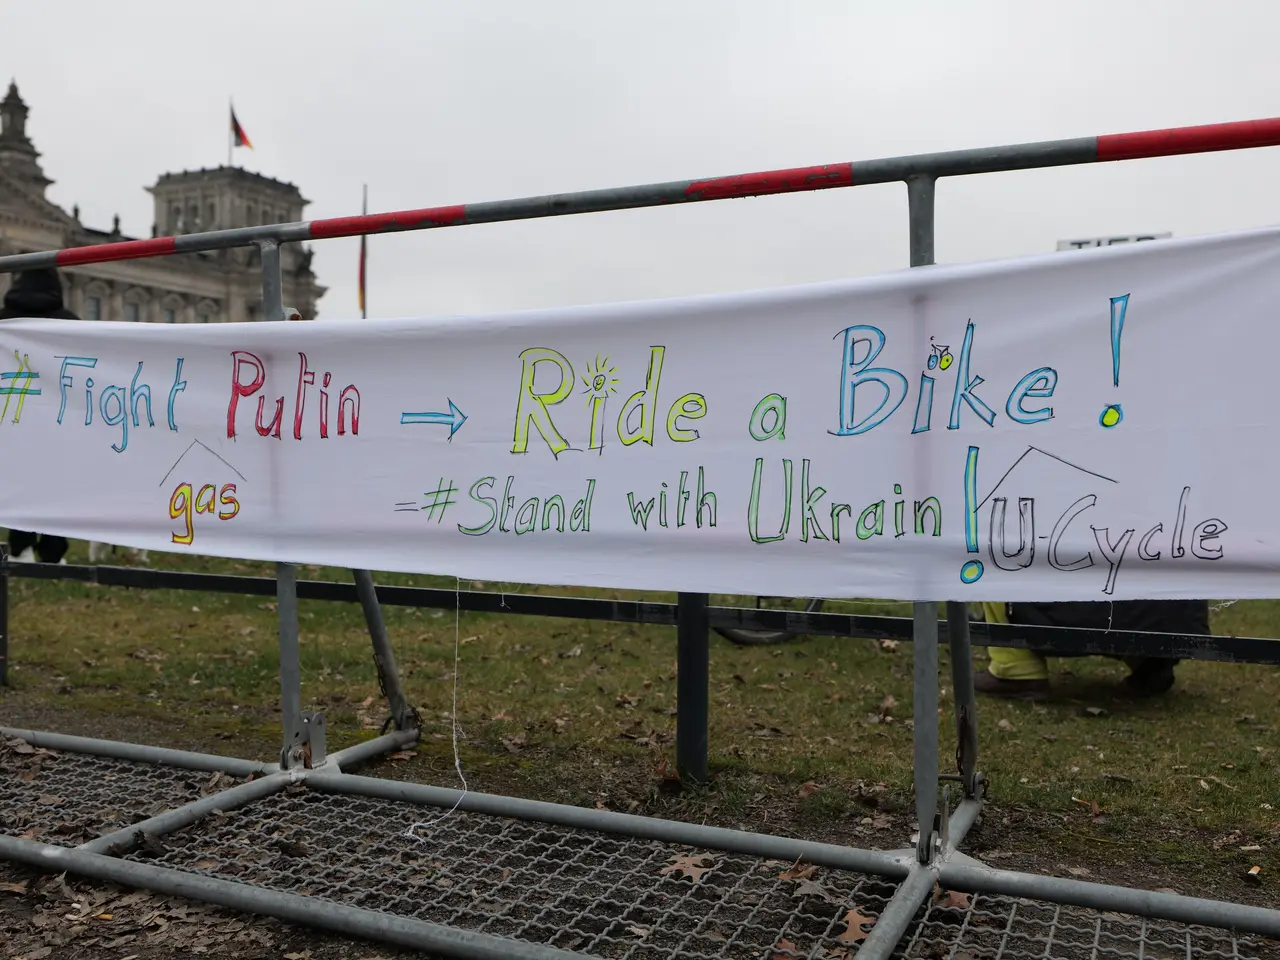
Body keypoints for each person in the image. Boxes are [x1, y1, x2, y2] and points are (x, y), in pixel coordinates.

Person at [974, 599, 1210, 700]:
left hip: (1070, 601)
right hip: (1173, 615)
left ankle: (1016, 671)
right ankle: (1149, 658)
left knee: (997, 537)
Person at [1, 266, 78, 564]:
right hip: (55, 417)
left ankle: (20, 547)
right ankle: (53, 550)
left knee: (18, 481)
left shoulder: (3, 321)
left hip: (11, 416)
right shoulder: (71, 324)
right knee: (54, 484)